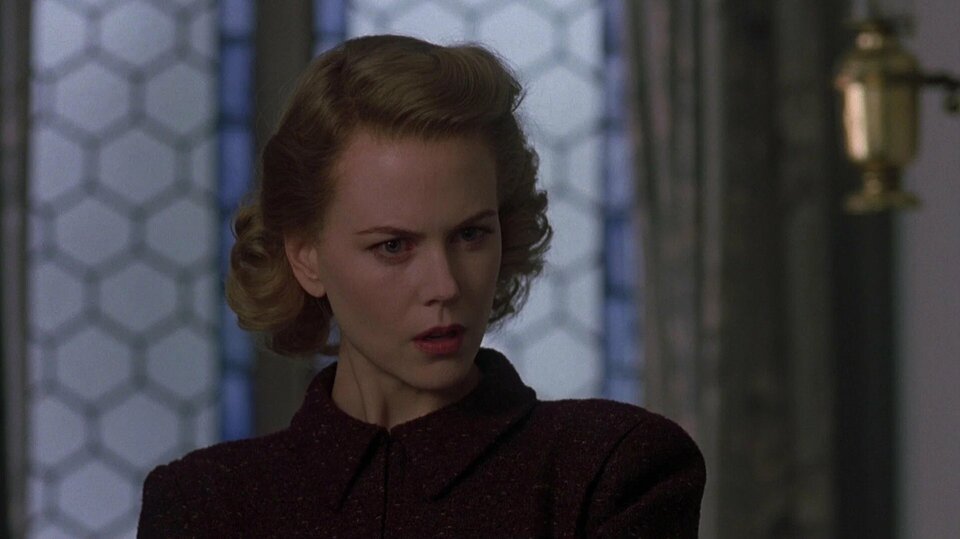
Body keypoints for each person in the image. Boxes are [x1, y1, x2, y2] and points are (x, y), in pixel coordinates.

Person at [138, 34, 705, 538]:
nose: (445, 285)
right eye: (394, 246)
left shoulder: (609, 470)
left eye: (470, 235)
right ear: (306, 257)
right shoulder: (203, 505)